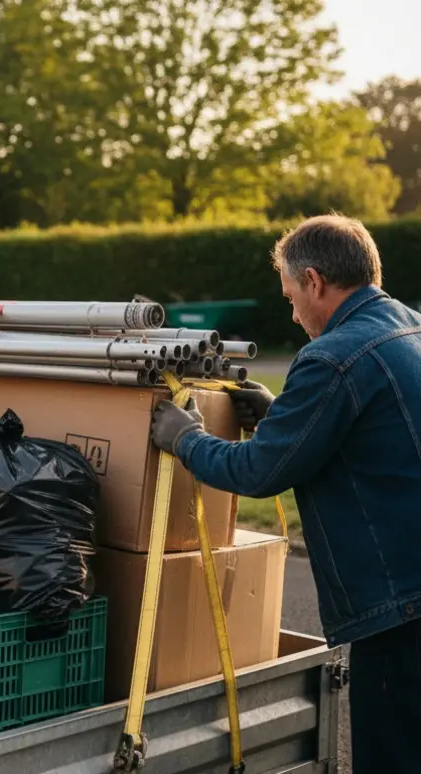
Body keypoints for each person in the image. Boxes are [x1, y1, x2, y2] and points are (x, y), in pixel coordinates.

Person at [149, 214, 421, 773]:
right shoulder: (410, 328)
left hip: (401, 611)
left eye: (293, 296)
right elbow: (377, 439)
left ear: (316, 281)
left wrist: (186, 439)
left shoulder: (331, 356)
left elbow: (258, 473)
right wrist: (280, 415)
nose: (293, 314)